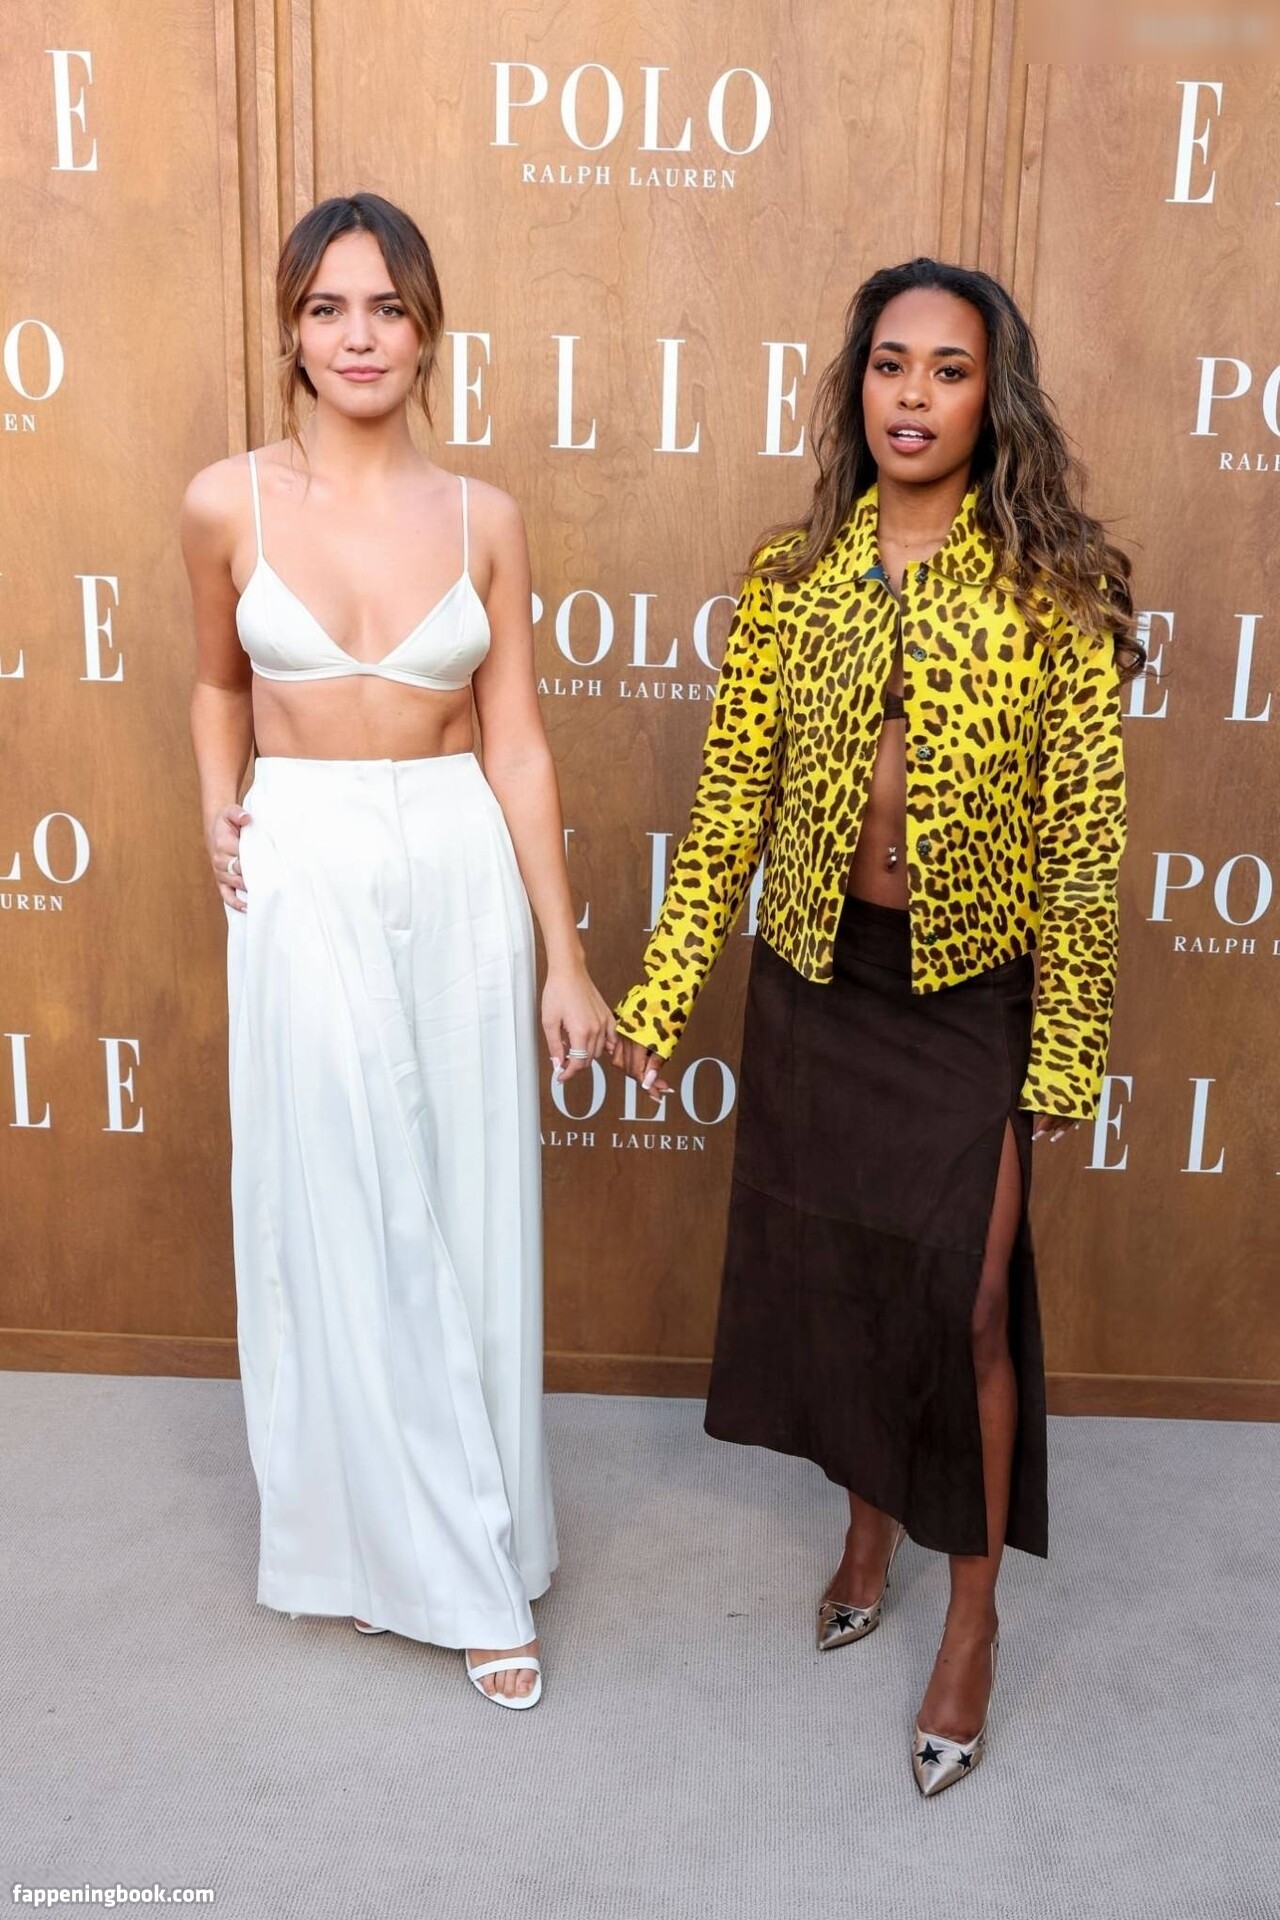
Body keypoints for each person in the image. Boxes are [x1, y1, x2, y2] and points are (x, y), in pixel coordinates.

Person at [610, 258, 1142, 1792]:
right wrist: (661, 994)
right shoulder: (791, 582)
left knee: (965, 1303)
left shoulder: (1056, 590)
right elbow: (730, 807)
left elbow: (1086, 844)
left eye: (949, 370)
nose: (913, 395)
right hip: (817, 982)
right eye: (891, 364)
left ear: (993, 399)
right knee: (846, 1279)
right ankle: (867, 1529)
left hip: (970, 994)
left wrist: (1067, 1047)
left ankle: (972, 1616)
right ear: (859, 387)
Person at [181, 191, 613, 1710]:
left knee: (463, 1207)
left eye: (386, 307)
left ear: (427, 329)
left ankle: (465, 1545)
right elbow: (216, 685)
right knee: (337, 1202)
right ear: (291, 330)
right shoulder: (225, 503)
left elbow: (519, 746)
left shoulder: (485, 519)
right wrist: (220, 808)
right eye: (327, 308)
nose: (357, 336)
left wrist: (565, 958)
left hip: (455, 859)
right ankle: (399, 1552)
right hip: (300, 862)